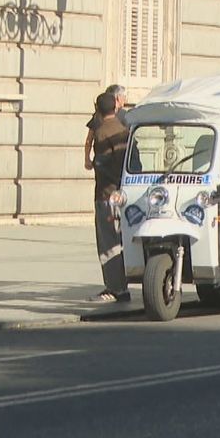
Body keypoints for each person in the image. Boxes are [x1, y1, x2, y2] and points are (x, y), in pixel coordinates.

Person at [89, 92, 130, 302]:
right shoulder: (124, 129)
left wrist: (94, 164)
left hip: (107, 194)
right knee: (120, 239)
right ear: (115, 107)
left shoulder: (101, 132)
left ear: (98, 109)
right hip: (124, 193)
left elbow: (102, 163)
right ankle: (121, 284)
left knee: (108, 241)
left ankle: (116, 288)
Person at [83, 84, 126, 171]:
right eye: (124, 97)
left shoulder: (97, 116)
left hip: (100, 162)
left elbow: (89, 140)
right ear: (118, 98)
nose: (125, 99)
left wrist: (87, 159)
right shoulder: (124, 115)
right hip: (119, 164)